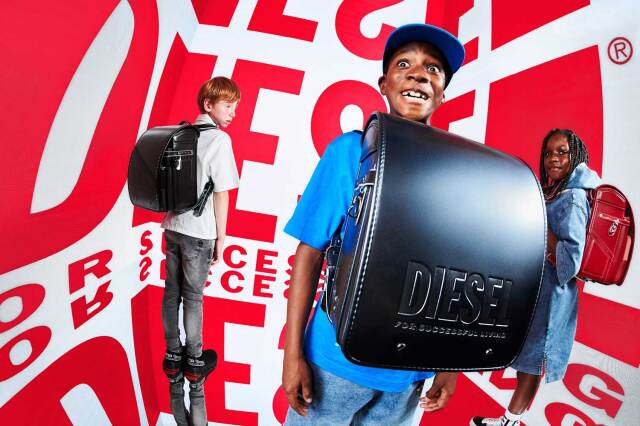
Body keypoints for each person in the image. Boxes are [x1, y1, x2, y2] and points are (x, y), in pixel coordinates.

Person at [282, 24, 465, 425]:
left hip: (409, 372)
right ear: (384, 84)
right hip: (334, 363)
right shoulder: (351, 151)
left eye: (433, 69)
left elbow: (456, 272)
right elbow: (310, 253)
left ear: (443, 93)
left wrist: (450, 363)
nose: (419, 75)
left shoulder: (455, 166)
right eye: (404, 64)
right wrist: (292, 354)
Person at [472, 129, 601, 426]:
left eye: (562, 152)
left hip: (552, 297)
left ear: (576, 157)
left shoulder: (573, 199)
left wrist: (541, 223)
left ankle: (510, 422)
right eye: (548, 153)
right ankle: (510, 419)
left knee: (532, 360)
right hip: (535, 290)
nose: (553, 158)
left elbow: (571, 263)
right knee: (524, 356)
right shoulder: (556, 192)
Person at [160, 76, 240, 426]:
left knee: (171, 292)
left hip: (173, 226)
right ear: (209, 104)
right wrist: (222, 239)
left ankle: (172, 354)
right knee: (193, 298)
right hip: (199, 233)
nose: (233, 113)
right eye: (227, 105)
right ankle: (194, 361)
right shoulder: (219, 140)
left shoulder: (182, 133)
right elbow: (221, 193)